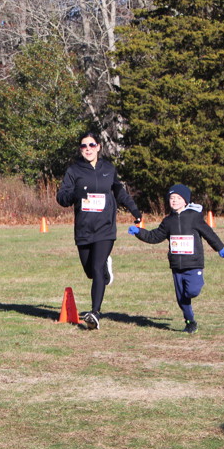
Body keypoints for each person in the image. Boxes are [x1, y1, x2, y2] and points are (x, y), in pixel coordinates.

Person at [56, 132, 142, 330]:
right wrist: (75, 194)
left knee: (96, 268)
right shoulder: (74, 170)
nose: (88, 149)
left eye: (91, 145)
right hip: (84, 229)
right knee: (91, 272)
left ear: (98, 147)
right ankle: (105, 270)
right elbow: (61, 198)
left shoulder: (108, 169)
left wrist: (134, 210)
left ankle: (95, 313)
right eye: (83, 146)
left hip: (105, 228)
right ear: (80, 149)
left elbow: (119, 191)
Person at [127, 184, 224, 333]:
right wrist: (139, 231)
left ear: (185, 201)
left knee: (192, 291)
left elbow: (209, 233)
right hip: (177, 266)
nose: (174, 201)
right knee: (181, 299)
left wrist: (220, 247)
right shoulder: (168, 221)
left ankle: (195, 287)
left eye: (178, 198)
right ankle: (190, 322)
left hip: (194, 264)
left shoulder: (194, 217)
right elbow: (155, 236)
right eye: (172, 198)